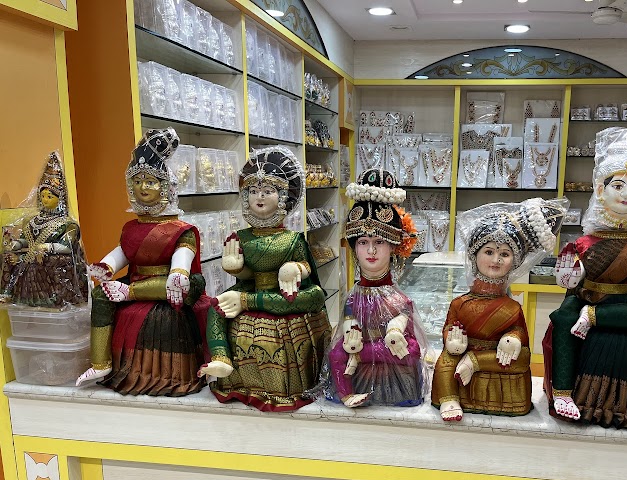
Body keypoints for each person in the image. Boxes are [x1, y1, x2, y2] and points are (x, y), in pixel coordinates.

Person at [543, 127, 627, 433]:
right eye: (618, 185)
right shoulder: (586, 242)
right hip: (588, 295)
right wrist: (571, 274)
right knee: (564, 318)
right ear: (601, 190)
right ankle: (563, 391)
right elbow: (575, 276)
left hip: (626, 301)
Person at [76, 128, 210, 395]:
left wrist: (179, 271)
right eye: (137, 181)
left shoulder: (181, 229)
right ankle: (101, 362)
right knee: (100, 294)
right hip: (139, 277)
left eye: (150, 181)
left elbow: (183, 255)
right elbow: (123, 252)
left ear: (166, 187)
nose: (143, 187)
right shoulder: (131, 227)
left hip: (168, 283)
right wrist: (107, 267)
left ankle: (130, 294)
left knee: (178, 287)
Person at [200, 147, 332, 411]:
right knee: (215, 306)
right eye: (253, 191)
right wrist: (237, 270)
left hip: (285, 293)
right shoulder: (241, 237)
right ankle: (222, 358)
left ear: (282, 197)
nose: (259, 197)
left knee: (313, 296)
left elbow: (307, 268)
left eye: (268, 191)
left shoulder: (292, 239)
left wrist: (295, 268)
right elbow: (251, 275)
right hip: (253, 288)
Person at [432, 198, 566, 421]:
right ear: (474, 255)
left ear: (515, 261)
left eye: (504, 254)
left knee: (521, 358)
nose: (496, 260)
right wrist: (452, 339)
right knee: (445, 359)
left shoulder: (512, 307)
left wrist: (513, 338)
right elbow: (449, 327)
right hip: (462, 351)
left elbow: (520, 335)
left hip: (495, 356)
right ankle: (449, 398)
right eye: (489, 252)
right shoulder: (459, 303)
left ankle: (475, 361)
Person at [326, 168, 425, 408]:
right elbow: (349, 321)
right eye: (363, 242)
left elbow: (411, 347)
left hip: (384, 352)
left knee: (409, 349)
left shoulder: (399, 299)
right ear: (354, 247)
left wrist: (384, 338)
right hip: (364, 346)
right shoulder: (353, 297)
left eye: (379, 242)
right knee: (337, 353)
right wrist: (351, 331)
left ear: (393, 247)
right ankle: (346, 393)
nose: (371, 251)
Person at [1, 151, 88, 308]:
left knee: (50, 260)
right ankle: (8, 293)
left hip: (50, 257)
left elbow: (67, 247)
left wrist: (47, 247)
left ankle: (54, 299)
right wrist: (14, 244)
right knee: (7, 256)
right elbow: (25, 241)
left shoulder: (68, 224)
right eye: (43, 196)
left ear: (60, 199)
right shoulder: (31, 221)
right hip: (31, 256)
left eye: (50, 196)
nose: (45, 200)